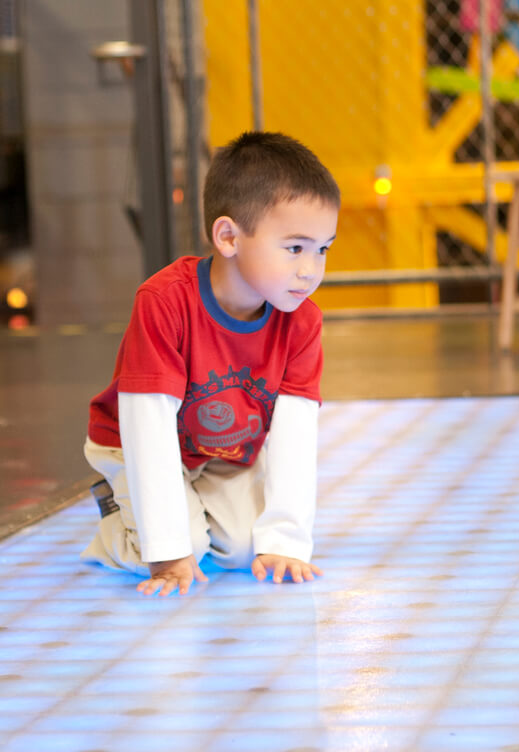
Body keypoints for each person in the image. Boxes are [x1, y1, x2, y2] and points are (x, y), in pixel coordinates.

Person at [81, 130, 339, 597]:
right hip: (133, 445)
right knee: (175, 551)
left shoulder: (302, 322)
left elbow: (295, 433)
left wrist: (286, 541)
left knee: (247, 550)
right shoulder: (164, 301)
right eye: (295, 247)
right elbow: (147, 423)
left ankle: (186, 511)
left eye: (323, 249)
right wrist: (166, 549)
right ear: (228, 237)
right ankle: (119, 522)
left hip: (218, 452)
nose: (311, 269)